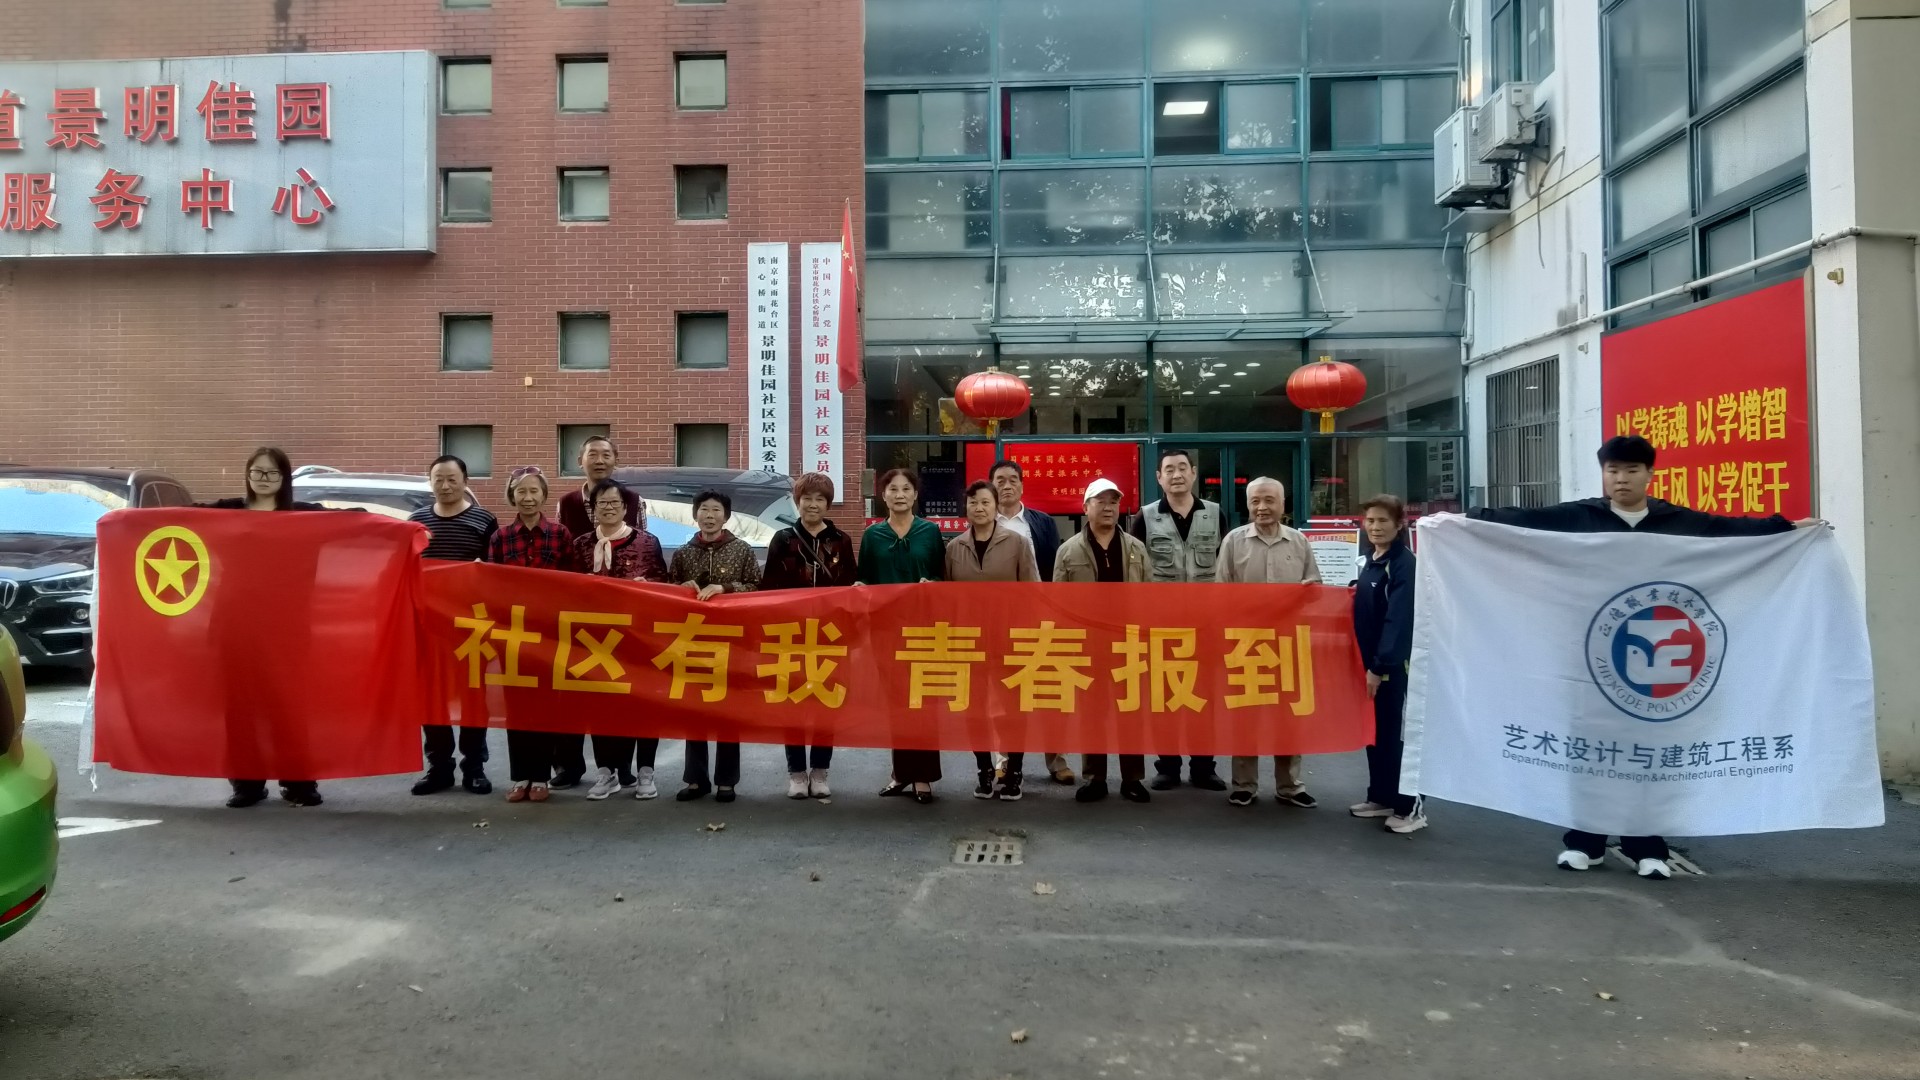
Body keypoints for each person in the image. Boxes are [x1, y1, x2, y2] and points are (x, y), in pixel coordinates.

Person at [1470, 434, 1824, 879]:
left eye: (1631, 470)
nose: (1621, 479)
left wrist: (1788, 528)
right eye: (1613, 470)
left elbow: (1728, 530)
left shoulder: (1673, 521)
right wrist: (1460, 521)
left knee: (1649, 751)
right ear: (1604, 474)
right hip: (1591, 654)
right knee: (1592, 750)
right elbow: (1519, 522)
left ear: (1650, 474)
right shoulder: (1580, 517)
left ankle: (1646, 846)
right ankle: (1585, 842)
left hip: (1657, 655)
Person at [201, 447, 327, 809]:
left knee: (289, 705)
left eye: (272, 473)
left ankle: (298, 781)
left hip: (288, 628)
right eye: (257, 472)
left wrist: (401, 530)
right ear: (247, 475)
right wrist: (124, 521)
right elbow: (177, 519)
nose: (264, 479)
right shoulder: (228, 511)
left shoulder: (304, 515)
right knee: (240, 707)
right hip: (235, 625)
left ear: (284, 478)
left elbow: (356, 521)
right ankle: (247, 783)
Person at [1217, 477, 1323, 808]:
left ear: (1282, 504)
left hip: (1288, 644)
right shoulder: (1234, 542)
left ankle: (1290, 785)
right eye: (1255, 501)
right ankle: (1244, 784)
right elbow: (1220, 593)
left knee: (1288, 716)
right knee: (1245, 715)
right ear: (1248, 505)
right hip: (1246, 644)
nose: (1262, 507)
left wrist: (1308, 590)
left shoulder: (1299, 542)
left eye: (1269, 500)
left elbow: (1316, 588)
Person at [1129, 448, 1226, 791]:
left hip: (1205, 623)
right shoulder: (1145, 516)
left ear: (1194, 473)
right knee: (1165, 696)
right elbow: (1136, 569)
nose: (1176, 474)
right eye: (1169, 469)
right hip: (1162, 625)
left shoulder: (1215, 514)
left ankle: (1204, 767)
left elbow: (1225, 567)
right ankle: (1167, 766)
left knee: (1204, 697)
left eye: (1182, 468)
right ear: (1159, 477)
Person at [569, 478, 670, 801]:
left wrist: (647, 586)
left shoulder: (647, 542)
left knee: (644, 705)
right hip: (596, 641)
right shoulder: (581, 545)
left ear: (625, 508)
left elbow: (664, 583)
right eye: (602, 503)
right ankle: (606, 772)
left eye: (615, 503)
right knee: (601, 707)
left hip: (638, 639)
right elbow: (566, 588)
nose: (609, 508)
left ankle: (646, 771)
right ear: (593, 509)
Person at [1053, 478, 1152, 804]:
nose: (1108, 507)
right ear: (1086, 508)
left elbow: (1152, 597)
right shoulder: (1068, 551)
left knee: (1131, 712)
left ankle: (1133, 779)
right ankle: (1094, 778)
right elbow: (1058, 604)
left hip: (1129, 643)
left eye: (1114, 501)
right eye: (1100, 501)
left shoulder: (1136, 548)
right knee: (1092, 714)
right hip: (1089, 645)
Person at [552, 434, 642, 789]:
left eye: (606, 454)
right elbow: (562, 550)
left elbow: (642, 544)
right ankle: (569, 766)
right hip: (578, 615)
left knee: (621, 692)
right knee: (572, 691)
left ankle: (621, 766)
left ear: (615, 460)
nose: (599, 460)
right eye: (593, 454)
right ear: (581, 460)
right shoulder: (567, 502)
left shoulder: (632, 499)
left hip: (621, 615)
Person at [762, 472, 857, 800]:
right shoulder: (783, 539)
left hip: (829, 635)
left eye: (820, 499)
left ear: (828, 504)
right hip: (791, 633)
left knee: (825, 703)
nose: (813, 504)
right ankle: (797, 773)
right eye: (807, 498)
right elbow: (768, 587)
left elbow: (850, 584)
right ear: (797, 502)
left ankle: (819, 770)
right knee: (793, 703)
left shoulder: (841, 540)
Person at [408, 454, 499, 796]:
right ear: (430, 482)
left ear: (465, 481)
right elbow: (405, 570)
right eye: (439, 479)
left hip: (471, 625)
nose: (445, 486)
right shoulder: (416, 522)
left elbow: (496, 571)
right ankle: (439, 767)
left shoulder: (483, 520)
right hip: (428, 626)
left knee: (473, 697)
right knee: (431, 698)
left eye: (452, 479)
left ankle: (474, 767)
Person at [946, 480, 1040, 801]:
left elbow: (1032, 593)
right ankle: (984, 769)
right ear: (966, 508)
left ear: (996, 506)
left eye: (985, 502)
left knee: (1013, 708)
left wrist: (1029, 636)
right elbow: (948, 598)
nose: (979, 508)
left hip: (1009, 639)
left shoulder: (1016, 543)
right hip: (969, 642)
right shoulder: (955, 547)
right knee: (974, 709)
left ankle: (1014, 771)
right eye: (973, 502)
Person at [486, 467, 574, 804]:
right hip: (512, 632)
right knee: (517, 704)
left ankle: (540, 776)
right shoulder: (501, 537)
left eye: (534, 491)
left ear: (544, 495)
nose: (528, 497)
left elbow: (573, 583)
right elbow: (492, 584)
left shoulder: (560, 534)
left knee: (546, 704)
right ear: (512, 496)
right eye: (521, 491)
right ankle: (519, 775)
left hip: (549, 632)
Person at [860, 468, 946, 804]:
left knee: (923, 701)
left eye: (906, 489)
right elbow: (865, 578)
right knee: (896, 703)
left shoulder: (930, 532)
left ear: (915, 495)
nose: (899, 495)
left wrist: (932, 584)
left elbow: (942, 576)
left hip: (924, 630)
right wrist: (859, 588)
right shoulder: (872, 536)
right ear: (883, 496)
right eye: (892, 489)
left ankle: (923, 777)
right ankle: (900, 774)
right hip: (886, 630)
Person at [669, 489, 761, 803]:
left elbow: (756, 588)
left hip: (731, 641)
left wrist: (725, 588)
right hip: (692, 641)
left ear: (726, 516)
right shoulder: (683, 553)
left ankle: (726, 781)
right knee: (693, 710)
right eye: (704, 509)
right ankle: (696, 779)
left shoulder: (742, 549)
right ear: (695, 514)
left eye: (716, 510)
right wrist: (680, 588)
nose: (710, 516)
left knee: (728, 711)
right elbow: (667, 591)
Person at [990, 459, 1075, 786]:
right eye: (1000, 480)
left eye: (1012, 479)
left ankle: (1057, 759)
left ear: (1022, 485)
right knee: (1004, 697)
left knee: (1051, 691)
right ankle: (1005, 760)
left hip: (1041, 620)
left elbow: (1056, 569)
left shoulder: (1042, 523)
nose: (1006, 485)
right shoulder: (984, 523)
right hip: (1000, 622)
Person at [1348, 493, 1423, 834]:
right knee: (1374, 732)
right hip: (1367, 665)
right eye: (1370, 521)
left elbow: (1398, 620)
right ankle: (1381, 796)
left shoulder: (1404, 563)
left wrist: (1380, 667)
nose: (1375, 527)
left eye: (1383, 521)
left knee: (1394, 736)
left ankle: (1411, 807)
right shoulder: (1370, 560)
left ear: (1399, 524)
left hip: (1391, 667)